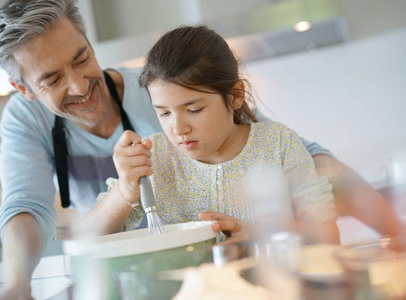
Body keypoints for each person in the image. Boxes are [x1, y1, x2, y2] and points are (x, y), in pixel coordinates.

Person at [0, 0, 404, 299]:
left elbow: (305, 160)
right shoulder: (29, 121)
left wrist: (395, 232)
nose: (79, 85)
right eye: (53, 79)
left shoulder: (164, 84)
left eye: (82, 59)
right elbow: (34, 210)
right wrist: (17, 284)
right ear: (23, 90)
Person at [85, 25, 340, 245]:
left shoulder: (277, 144)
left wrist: (256, 235)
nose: (178, 128)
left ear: (235, 95)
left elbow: (329, 236)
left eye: (194, 109)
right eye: (163, 113)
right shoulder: (156, 159)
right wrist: (125, 188)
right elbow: (88, 239)